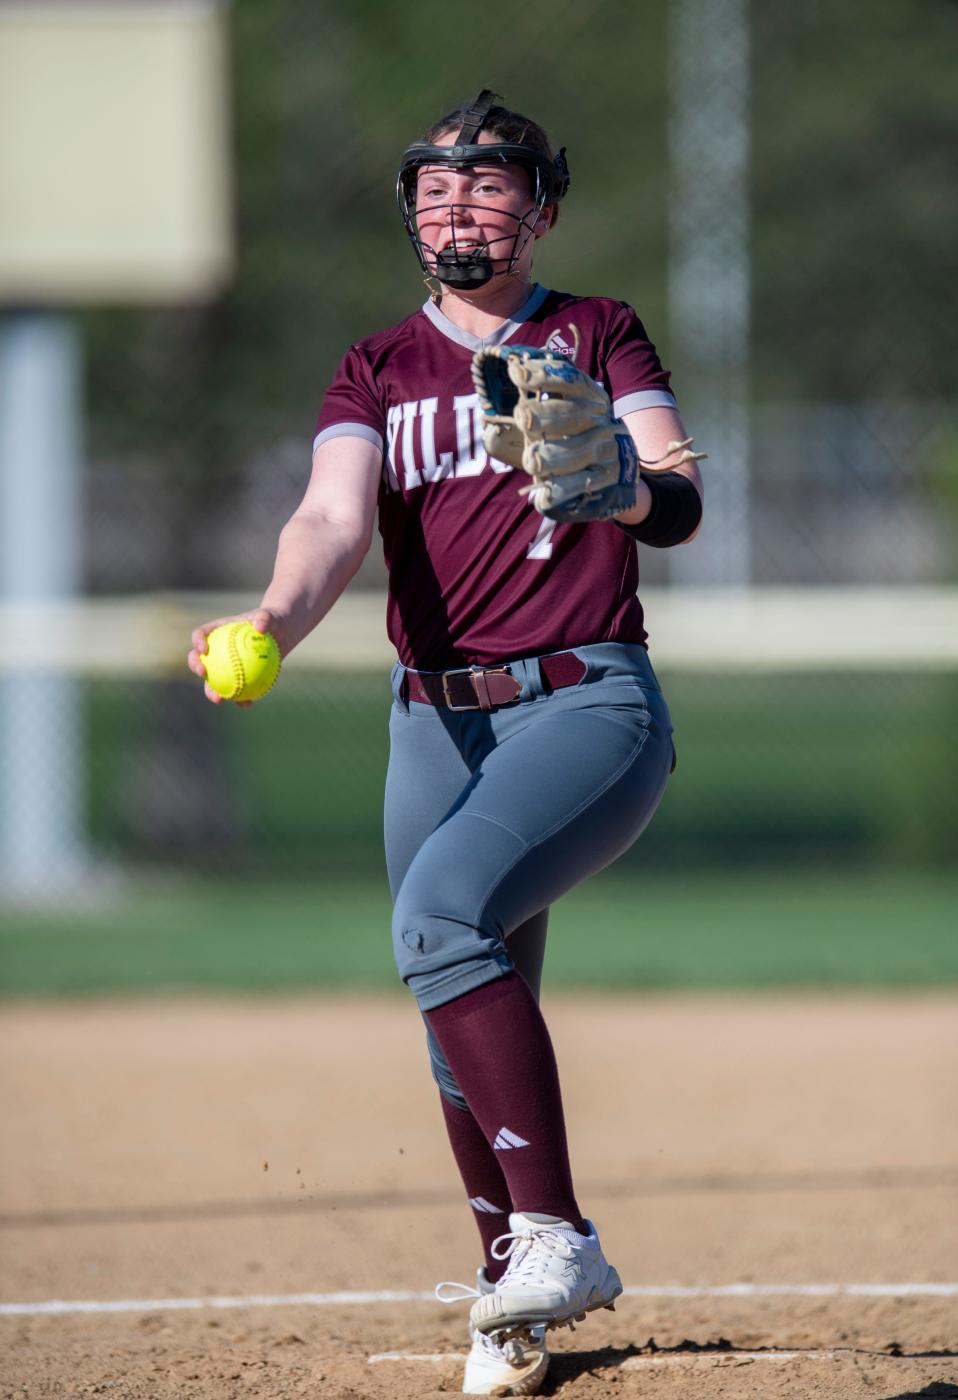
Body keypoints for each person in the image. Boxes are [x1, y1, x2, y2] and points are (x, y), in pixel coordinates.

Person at [189, 90, 704, 1398]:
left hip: (586, 699)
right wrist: (270, 621)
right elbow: (327, 522)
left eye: (489, 185)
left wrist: (627, 489)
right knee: (452, 1001)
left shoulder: (595, 332)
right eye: (435, 188)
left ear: (540, 209)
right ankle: (510, 1295)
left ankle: (555, 1237)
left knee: (438, 919)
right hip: (432, 719)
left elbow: (679, 494)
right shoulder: (378, 367)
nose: (458, 206)